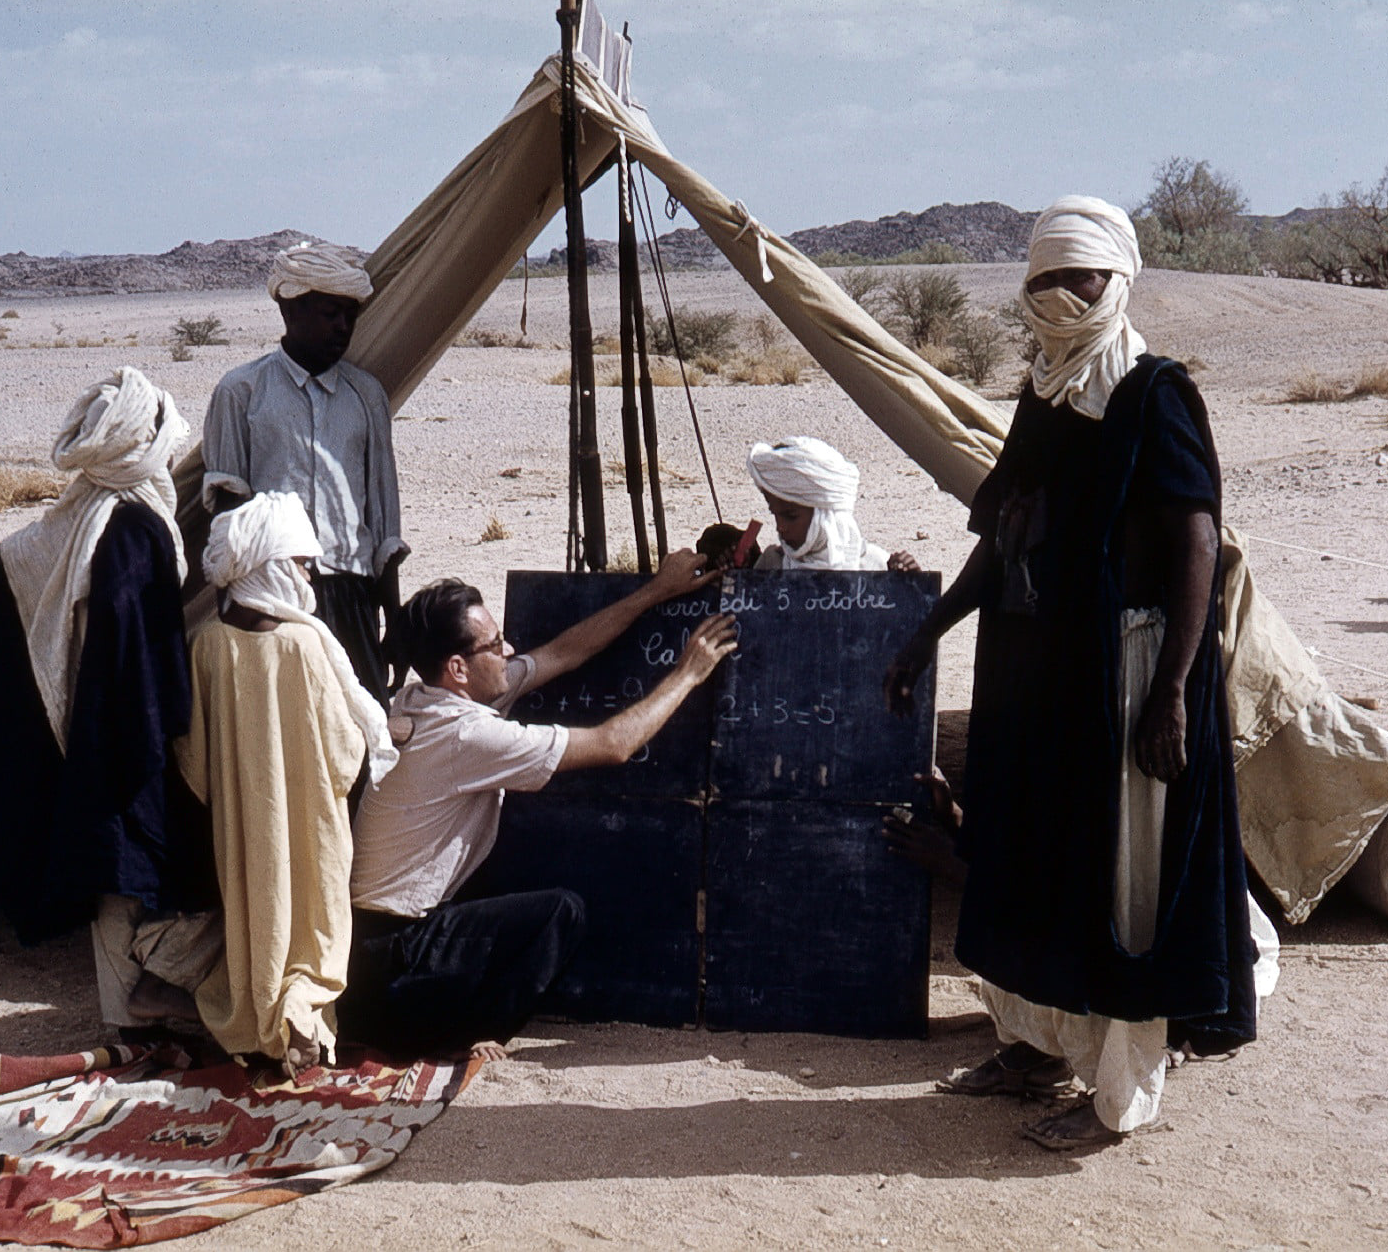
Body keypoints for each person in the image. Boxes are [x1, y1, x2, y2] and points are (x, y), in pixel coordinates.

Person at [884, 196, 1270, 1151]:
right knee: (1027, 861)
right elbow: (1006, 529)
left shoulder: (1152, 392)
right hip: (1037, 672)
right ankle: (1031, 1046)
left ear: (1119, 279)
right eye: (1044, 279)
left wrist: (1173, 688)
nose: (1061, 296)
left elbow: (1196, 541)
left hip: (1128, 666)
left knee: (1119, 878)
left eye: (1080, 277)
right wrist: (929, 629)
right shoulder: (1044, 394)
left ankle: (1119, 1093)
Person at [339, 552, 736, 1061]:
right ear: (458, 667)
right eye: (493, 645)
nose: (508, 649)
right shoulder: (466, 734)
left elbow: (563, 653)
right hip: (391, 961)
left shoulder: (427, 698)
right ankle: (463, 1039)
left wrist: (656, 591)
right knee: (559, 915)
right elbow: (614, 743)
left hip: (365, 955)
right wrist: (689, 672)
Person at [0, 367, 220, 1032]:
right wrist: (154, 735)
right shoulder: (132, 530)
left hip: (49, 692)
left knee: (107, 839)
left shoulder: (93, 509)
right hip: (64, 703)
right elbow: (130, 653)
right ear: (145, 449)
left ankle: (132, 1006)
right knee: (119, 844)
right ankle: (130, 1016)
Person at [176, 492, 398, 1076]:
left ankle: (257, 1023)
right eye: (301, 564)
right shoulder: (305, 646)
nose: (310, 576)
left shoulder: (207, 645)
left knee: (257, 921)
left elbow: (193, 760)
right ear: (270, 564)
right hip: (311, 823)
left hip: (243, 827)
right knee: (315, 929)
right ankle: (301, 1014)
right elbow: (345, 750)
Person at [201, 240, 405, 702]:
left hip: (352, 593)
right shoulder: (242, 391)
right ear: (290, 311)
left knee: (360, 734)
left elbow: (383, 512)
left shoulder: (366, 396)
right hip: (272, 595)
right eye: (330, 314)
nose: (342, 327)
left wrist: (393, 618)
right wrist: (237, 607)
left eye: (349, 316)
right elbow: (230, 520)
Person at [745, 435, 919, 571]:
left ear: (825, 515)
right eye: (775, 515)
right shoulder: (772, 563)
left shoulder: (875, 565)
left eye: (790, 516)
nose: (780, 527)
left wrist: (912, 585)